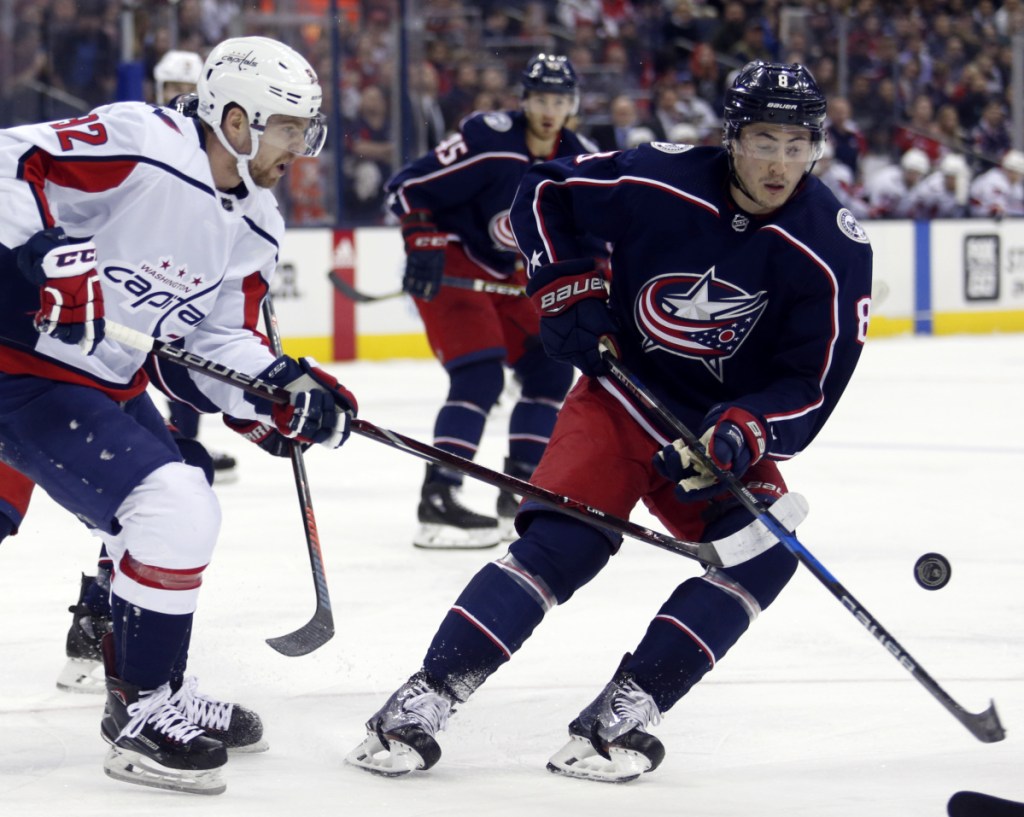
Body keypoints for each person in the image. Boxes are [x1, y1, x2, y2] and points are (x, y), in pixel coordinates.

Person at [345, 61, 873, 782]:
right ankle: (423, 697)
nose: (780, 162)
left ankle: (624, 711)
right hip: (622, 395)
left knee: (767, 552)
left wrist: (744, 429)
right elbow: (542, 193)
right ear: (730, 136)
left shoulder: (834, 248)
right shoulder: (659, 174)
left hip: (711, 428)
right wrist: (565, 289)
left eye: (796, 143)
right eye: (763, 140)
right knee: (565, 546)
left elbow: (811, 387)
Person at [0, 36, 358, 795]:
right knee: (173, 505)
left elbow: (219, 341)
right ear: (237, 118)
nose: (303, 144)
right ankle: (143, 711)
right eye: (291, 125)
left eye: (306, 126)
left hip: (108, 379)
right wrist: (44, 252)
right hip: (20, 364)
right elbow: (12, 160)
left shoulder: (258, 220)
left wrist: (284, 389)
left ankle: (148, 690)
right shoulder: (144, 143)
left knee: (179, 506)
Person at [384, 53, 599, 549]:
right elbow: (409, 186)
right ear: (524, 101)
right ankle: (439, 496)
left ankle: (521, 488)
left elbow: (592, 237)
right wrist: (420, 239)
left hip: (508, 277)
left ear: (573, 106)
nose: (550, 109)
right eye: (541, 98)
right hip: (455, 264)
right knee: (480, 375)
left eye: (560, 100)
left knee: (550, 368)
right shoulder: (489, 139)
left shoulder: (579, 157)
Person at [865, 147, 930, 218]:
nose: (914, 176)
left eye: (918, 173)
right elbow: (874, 208)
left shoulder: (921, 187)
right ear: (904, 169)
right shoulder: (887, 180)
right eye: (912, 172)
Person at [969, 149, 1024, 218]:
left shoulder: (1015, 185)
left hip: (997, 218)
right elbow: (996, 208)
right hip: (977, 217)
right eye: (1018, 173)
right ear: (1011, 170)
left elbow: (1017, 206)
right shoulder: (994, 180)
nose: (1020, 176)